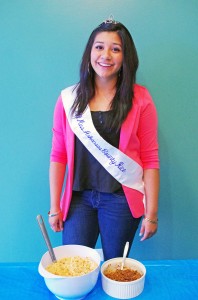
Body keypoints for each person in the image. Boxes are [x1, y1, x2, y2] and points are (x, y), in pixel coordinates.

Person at [48, 16, 160, 260]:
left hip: (120, 200)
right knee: (75, 267)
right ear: (90, 52)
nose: (105, 55)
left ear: (125, 57)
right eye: (99, 47)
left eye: (115, 49)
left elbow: (150, 159)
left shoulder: (140, 99)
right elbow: (59, 156)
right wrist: (54, 206)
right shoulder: (69, 100)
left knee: (114, 270)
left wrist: (151, 213)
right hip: (78, 200)